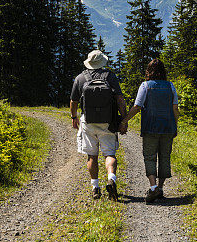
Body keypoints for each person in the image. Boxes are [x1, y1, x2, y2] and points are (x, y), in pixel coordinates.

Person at [119, 58, 179, 203]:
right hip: (168, 128)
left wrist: (124, 121)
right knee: (165, 157)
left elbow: (138, 106)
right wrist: (175, 126)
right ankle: (160, 188)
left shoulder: (145, 86)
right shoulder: (171, 86)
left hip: (150, 127)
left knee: (150, 156)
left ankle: (153, 188)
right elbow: (175, 109)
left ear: (148, 71)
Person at [70, 49, 128, 200]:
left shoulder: (80, 78)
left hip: (88, 121)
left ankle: (95, 187)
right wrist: (123, 119)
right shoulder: (110, 77)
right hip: (108, 122)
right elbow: (120, 100)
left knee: (92, 156)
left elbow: (73, 101)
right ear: (102, 62)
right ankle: (111, 178)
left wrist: (74, 117)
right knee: (109, 154)